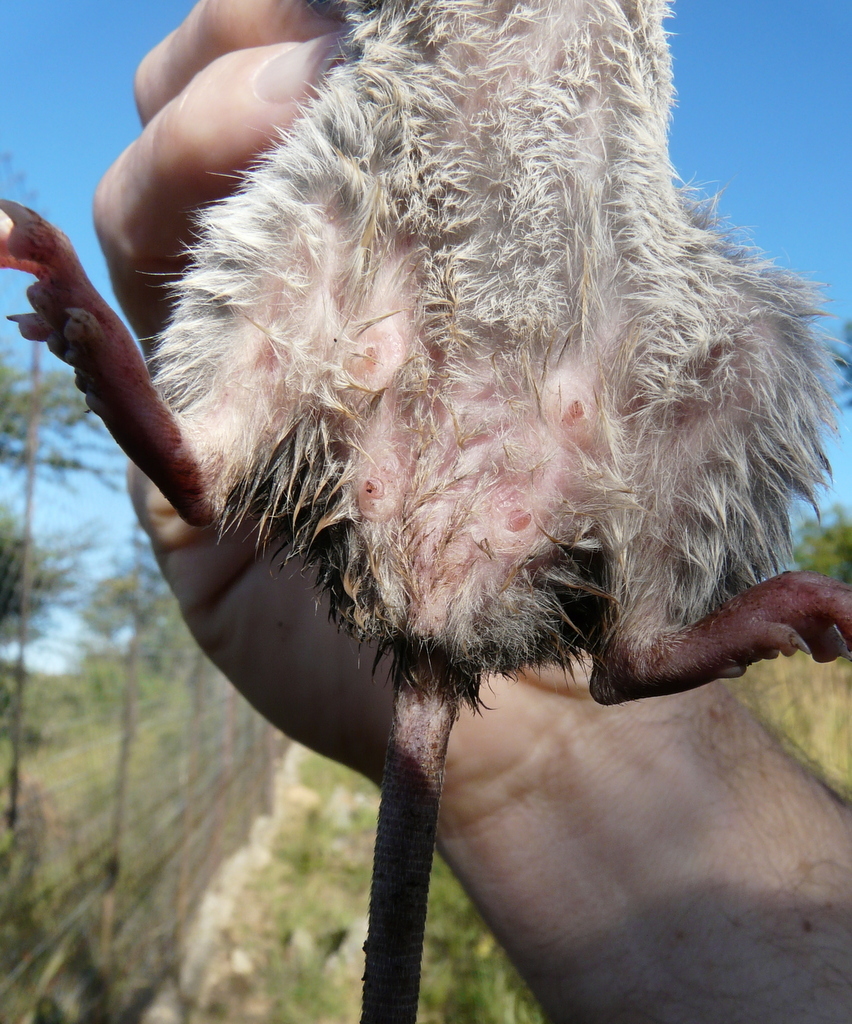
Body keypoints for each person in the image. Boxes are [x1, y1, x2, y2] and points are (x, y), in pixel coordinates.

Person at [93, 1, 852, 1019]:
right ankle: (210, 445)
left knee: (755, 350)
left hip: (556, 350)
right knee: (311, 210)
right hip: (395, 309)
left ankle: (644, 632)